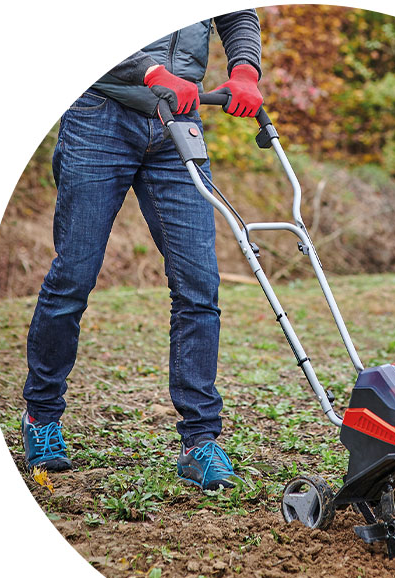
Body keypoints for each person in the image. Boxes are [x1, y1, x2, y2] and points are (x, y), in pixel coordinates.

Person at [20, 11, 264, 491]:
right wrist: (151, 73)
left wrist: (244, 71)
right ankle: (41, 416)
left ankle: (199, 442)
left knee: (199, 285)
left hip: (179, 120)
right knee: (74, 277)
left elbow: (238, 15)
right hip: (100, 115)